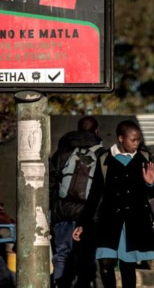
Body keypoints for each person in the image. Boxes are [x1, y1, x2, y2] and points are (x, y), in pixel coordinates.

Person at [73, 120, 154, 288]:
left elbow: (153, 193)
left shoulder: (144, 158)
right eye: (133, 140)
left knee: (128, 266)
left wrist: (149, 183)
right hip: (109, 221)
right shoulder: (105, 159)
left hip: (133, 223)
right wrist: (82, 222)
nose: (136, 143)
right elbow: (95, 194)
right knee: (105, 263)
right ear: (121, 138)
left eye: (138, 140)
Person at [49, 116, 102, 288]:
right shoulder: (102, 154)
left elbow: (49, 182)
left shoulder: (62, 153)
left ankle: (60, 284)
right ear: (96, 131)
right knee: (87, 256)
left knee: (62, 254)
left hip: (62, 213)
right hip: (88, 216)